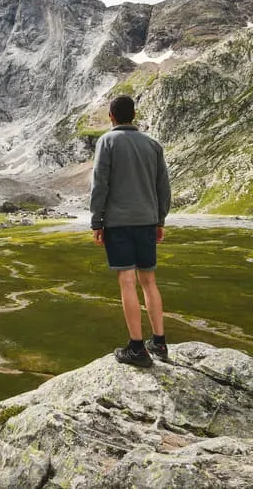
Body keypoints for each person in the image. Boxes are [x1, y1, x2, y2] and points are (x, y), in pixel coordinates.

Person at [89, 95, 172, 367]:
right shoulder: (153, 145)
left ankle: (136, 348)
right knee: (149, 280)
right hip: (147, 221)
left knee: (127, 280)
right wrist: (159, 220)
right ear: (133, 115)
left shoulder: (107, 142)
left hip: (119, 222)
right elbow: (163, 188)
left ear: (111, 116)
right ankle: (159, 341)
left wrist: (96, 222)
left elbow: (100, 183)